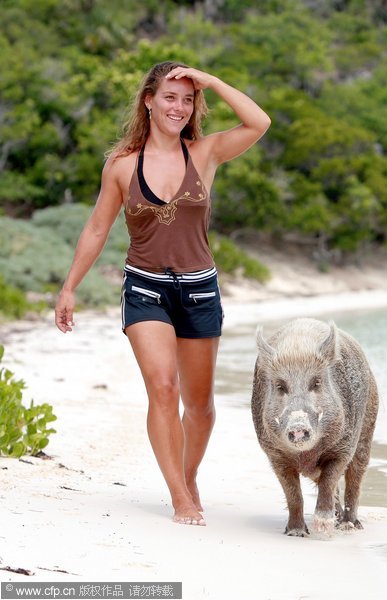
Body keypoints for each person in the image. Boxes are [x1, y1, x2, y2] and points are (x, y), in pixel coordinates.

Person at [55, 61, 271, 527]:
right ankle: (179, 496)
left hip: (199, 292)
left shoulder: (206, 153)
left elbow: (259, 122)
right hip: (145, 288)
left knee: (201, 407)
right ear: (148, 101)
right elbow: (96, 229)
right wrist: (69, 286)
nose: (179, 106)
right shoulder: (121, 166)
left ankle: (188, 475)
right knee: (163, 388)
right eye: (169, 97)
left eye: (187, 99)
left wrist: (211, 80)